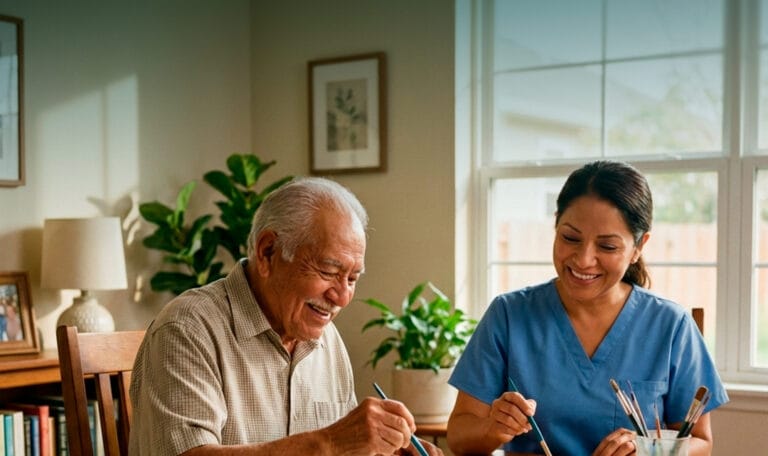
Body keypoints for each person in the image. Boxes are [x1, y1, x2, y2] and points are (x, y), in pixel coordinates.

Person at [129, 176, 442, 456]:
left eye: (352, 278)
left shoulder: (325, 336)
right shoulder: (186, 329)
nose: (342, 297)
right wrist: (331, 443)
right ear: (268, 252)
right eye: (329, 271)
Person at [446, 161, 728, 456]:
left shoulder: (672, 326)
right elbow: (459, 437)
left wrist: (648, 451)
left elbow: (701, 442)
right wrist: (493, 427)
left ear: (638, 247)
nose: (583, 260)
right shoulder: (508, 315)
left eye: (607, 247)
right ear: (556, 224)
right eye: (570, 238)